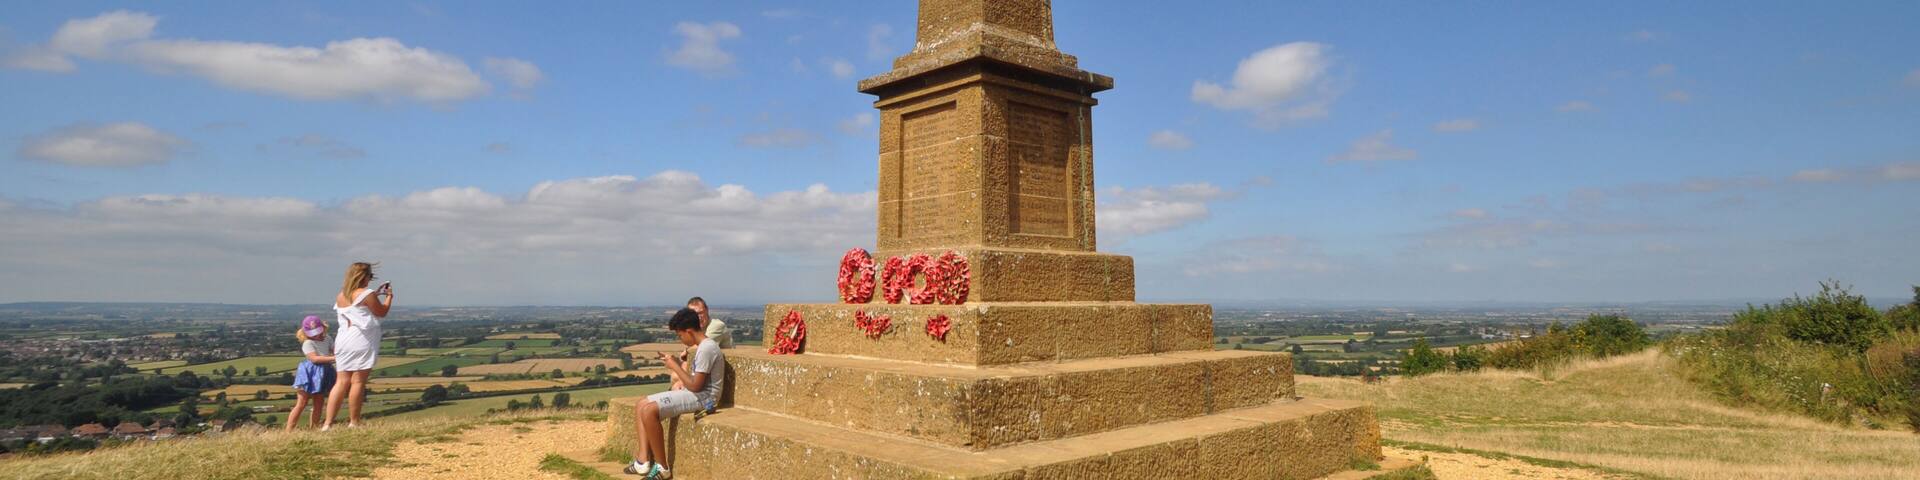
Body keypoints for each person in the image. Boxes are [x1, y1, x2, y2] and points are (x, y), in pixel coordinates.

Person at [626, 308, 726, 479]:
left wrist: (675, 367)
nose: (680, 339)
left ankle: (662, 468)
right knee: (641, 404)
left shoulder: (707, 349)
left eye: (680, 335)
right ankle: (643, 462)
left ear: (688, 331)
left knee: (649, 410)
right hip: (697, 392)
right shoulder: (703, 346)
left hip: (706, 398)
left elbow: (696, 386)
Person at [322, 262, 391, 431]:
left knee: (341, 382)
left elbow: (357, 305)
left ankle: (327, 424)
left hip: (343, 340)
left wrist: (375, 294)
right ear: (365, 276)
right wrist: (389, 296)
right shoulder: (367, 293)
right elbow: (381, 312)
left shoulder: (341, 296)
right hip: (361, 340)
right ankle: (354, 421)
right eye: (370, 276)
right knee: (358, 381)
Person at [287, 315, 336, 431]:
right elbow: (314, 359)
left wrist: (337, 354)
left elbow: (335, 349)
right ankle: (288, 430)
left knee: (319, 402)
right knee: (302, 402)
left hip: (324, 372)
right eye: (312, 332)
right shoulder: (307, 343)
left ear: (323, 328)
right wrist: (334, 358)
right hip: (309, 372)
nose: (316, 335)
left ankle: (314, 428)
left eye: (318, 331)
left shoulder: (328, 338)